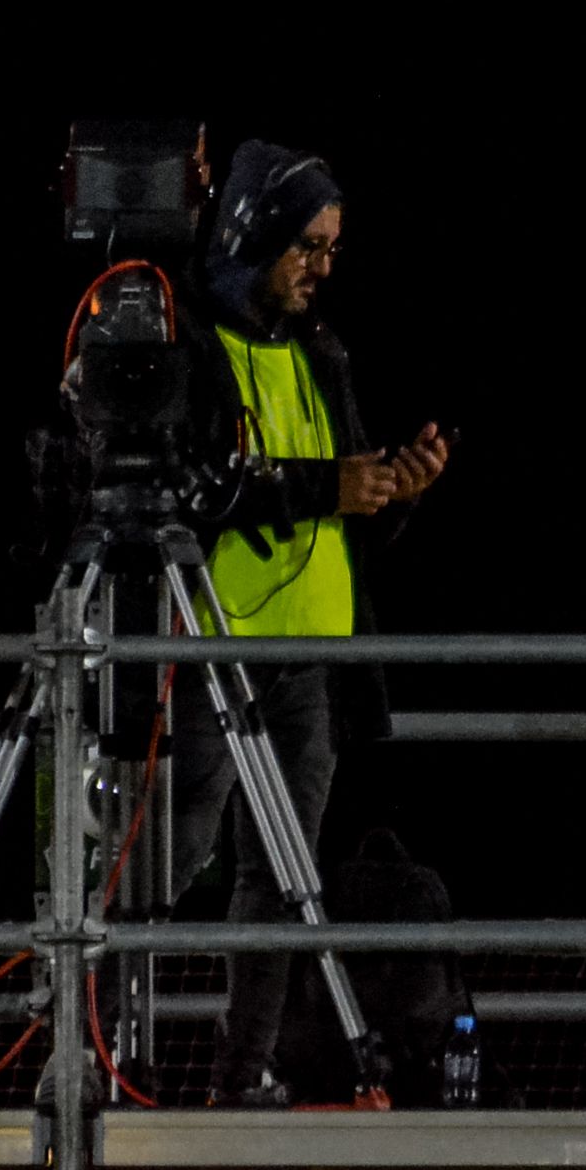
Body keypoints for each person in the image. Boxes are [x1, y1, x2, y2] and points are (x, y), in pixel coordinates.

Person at [176, 139, 450, 1106]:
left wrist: (392, 489)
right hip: (208, 660)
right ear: (255, 234)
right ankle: (99, 1051)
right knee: (163, 863)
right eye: (309, 245)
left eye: (333, 248)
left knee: (278, 886)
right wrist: (325, 485)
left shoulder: (323, 352)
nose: (324, 267)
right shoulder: (191, 347)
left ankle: (236, 1077)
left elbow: (341, 512)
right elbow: (192, 488)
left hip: (310, 663)